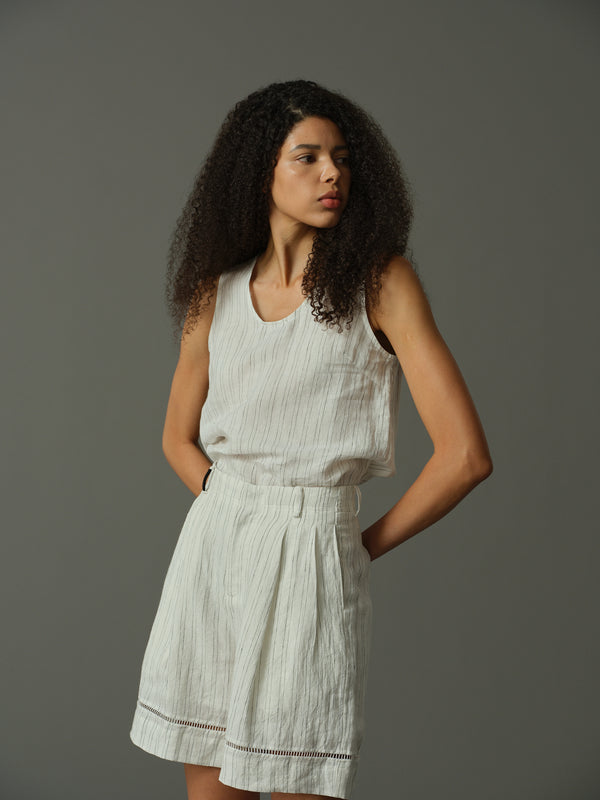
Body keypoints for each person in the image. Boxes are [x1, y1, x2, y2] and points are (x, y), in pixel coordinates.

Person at [129, 79, 493, 800]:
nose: (333, 173)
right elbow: (177, 439)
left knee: (298, 780)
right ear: (259, 170)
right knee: (210, 790)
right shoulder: (215, 292)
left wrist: (351, 547)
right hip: (213, 547)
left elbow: (465, 457)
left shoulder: (379, 284)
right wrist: (230, 500)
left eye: (342, 157)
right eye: (308, 157)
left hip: (314, 552)